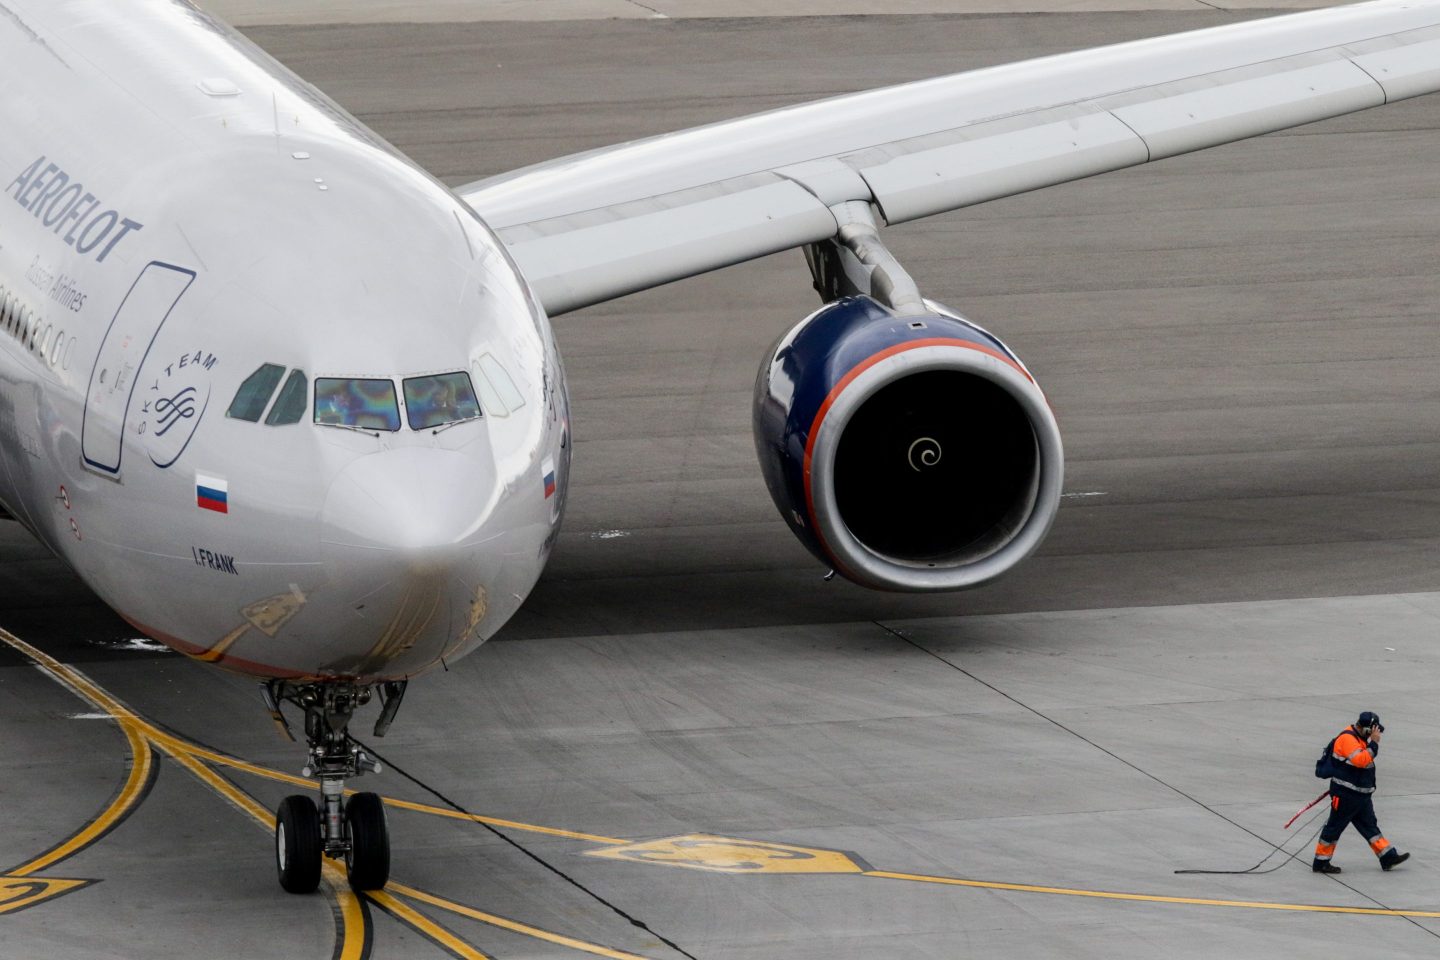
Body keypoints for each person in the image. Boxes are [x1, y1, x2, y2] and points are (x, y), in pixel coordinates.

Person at [1313, 711, 1409, 873]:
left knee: (1369, 826)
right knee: (1335, 827)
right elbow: (1361, 761)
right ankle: (1321, 862)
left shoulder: (1360, 738)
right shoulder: (1348, 739)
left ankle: (1387, 857)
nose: (1376, 734)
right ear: (1366, 729)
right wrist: (1374, 744)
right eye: (1374, 731)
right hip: (1346, 795)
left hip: (1360, 795)